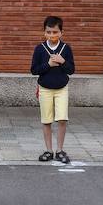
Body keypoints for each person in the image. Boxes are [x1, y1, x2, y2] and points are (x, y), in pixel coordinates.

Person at [31, 15, 75, 164]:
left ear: (61, 33)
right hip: (45, 89)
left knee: (62, 119)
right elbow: (34, 70)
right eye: (49, 32)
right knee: (47, 120)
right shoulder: (40, 49)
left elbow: (71, 70)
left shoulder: (66, 48)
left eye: (55, 32)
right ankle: (49, 150)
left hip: (62, 88)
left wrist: (63, 61)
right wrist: (48, 64)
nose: (52, 35)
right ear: (44, 32)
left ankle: (60, 150)